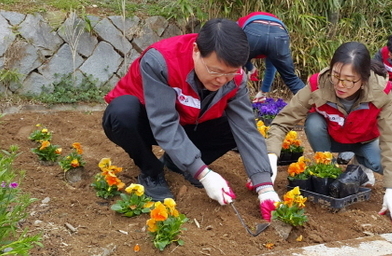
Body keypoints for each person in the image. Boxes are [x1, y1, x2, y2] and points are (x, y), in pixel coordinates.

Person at [101, 18, 280, 221]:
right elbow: (164, 122)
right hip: (148, 123)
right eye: (215, 71)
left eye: (230, 73)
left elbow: (245, 128)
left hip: (190, 123)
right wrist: (203, 173)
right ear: (196, 50)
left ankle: (176, 164)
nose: (222, 80)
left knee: (234, 125)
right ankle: (151, 171)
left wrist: (264, 186)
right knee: (121, 113)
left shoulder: (236, 78)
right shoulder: (161, 61)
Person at [265, 42, 392, 226]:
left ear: (364, 79)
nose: (340, 85)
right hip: (333, 138)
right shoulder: (319, 85)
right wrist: (271, 157)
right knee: (314, 122)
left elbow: (390, 140)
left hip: (366, 140)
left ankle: (362, 164)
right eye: (336, 76)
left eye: (349, 80)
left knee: (381, 165)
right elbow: (282, 121)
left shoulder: (381, 93)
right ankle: (328, 168)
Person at [237, 12, 305, 102]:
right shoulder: (274, 23)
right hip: (279, 34)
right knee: (291, 78)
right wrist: (263, 92)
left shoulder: (239, 22)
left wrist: (250, 68)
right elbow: (272, 67)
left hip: (254, 31)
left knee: (234, 67)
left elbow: (234, 50)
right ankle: (314, 107)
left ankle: (233, 104)